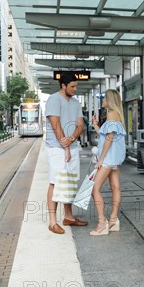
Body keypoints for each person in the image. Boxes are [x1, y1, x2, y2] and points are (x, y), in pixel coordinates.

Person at [45, 72, 89, 234]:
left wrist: (71, 139)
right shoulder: (54, 99)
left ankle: (69, 217)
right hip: (56, 148)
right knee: (55, 182)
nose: (75, 89)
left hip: (72, 146)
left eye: (76, 86)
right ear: (63, 86)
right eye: (72, 86)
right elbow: (55, 124)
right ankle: (52, 222)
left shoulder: (76, 102)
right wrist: (65, 147)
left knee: (69, 181)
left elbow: (80, 125)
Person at [89, 89, 127, 236]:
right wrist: (96, 126)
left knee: (95, 189)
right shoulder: (116, 115)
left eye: (104, 98)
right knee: (115, 187)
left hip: (108, 159)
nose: (102, 101)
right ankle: (113, 220)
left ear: (110, 100)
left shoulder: (111, 114)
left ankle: (101, 223)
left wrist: (101, 159)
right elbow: (106, 136)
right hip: (114, 159)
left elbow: (109, 139)